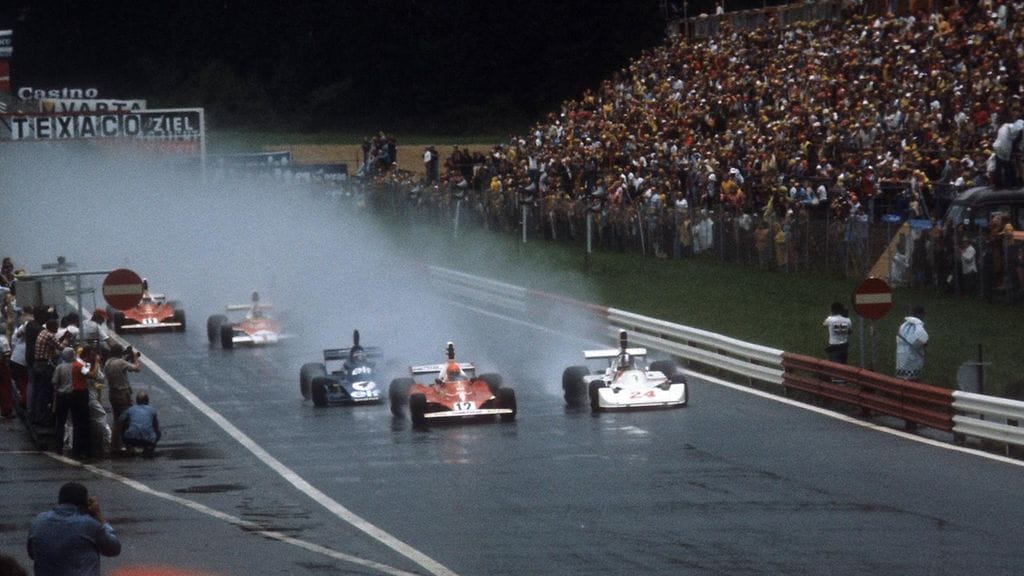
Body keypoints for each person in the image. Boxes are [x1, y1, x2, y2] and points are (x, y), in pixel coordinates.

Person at [27, 481, 121, 576]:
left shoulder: (39, 520)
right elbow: (114, 548)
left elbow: (32, 553)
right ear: (84, 504)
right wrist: (99, 516)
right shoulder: (88, 524)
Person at [104, 343, 142, 454]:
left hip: (113, 393)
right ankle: (129, 446)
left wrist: (126, 358)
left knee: (117, 420)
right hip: (123, 393)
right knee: (127, 420)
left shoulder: (107, 363)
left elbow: (120, 365)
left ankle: (115, 445)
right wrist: (135, 358)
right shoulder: (120, 363)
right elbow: (136, 368)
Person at [70, 346, 100, 459]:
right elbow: (93, 375)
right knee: (83, 423)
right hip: (80, 394)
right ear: (87, 355)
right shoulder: (80, 365)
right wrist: (96, 363)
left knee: (78, 423)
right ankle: (83, 450)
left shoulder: (78, 363)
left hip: (77, 394)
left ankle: (79, 449)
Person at [120, 391, 161, 456]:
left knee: (123, 425)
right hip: (148, 440)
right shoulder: (152, 410)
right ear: (147, 401)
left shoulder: (130, 409)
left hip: (131, 439)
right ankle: (150, 447)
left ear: (137, 401)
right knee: (158, 432)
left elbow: (121, 420)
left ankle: (129, 447)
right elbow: (156, 426)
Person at [895, 305, 929, 382]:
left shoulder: (903, 325)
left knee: (900, 380)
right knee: (913, 382)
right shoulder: (919, 328)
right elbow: (923, 342)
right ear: (922, 314)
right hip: (912, 363)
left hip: (900, 360)